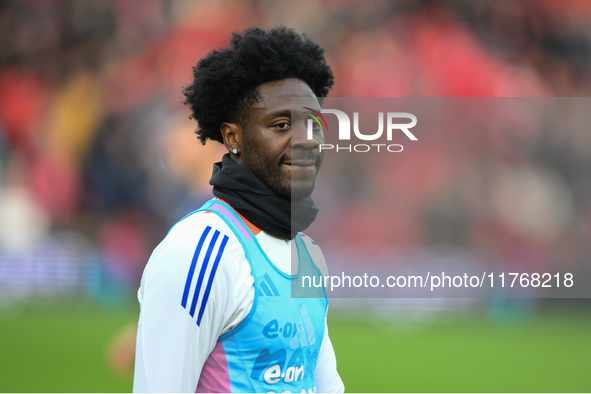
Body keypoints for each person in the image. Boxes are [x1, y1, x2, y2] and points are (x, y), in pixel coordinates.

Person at [133, 26, 344, 393]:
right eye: (281, 125)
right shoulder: (198, 252)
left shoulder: (308, 255)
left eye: (314, 124)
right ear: (233, 138)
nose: (307, 140)